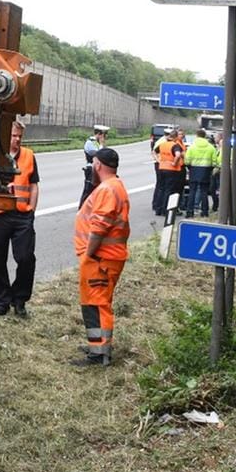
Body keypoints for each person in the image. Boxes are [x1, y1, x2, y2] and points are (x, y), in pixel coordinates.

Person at [72, 147, 131, 366]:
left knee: (97, 303)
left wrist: (88, 254)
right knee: (95, 302)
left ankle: (99, 353)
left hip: (100, 258)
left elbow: (99, 227)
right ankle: (96, 344)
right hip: (105, 258)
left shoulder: (107, 190)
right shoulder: (114, 186)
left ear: (97, 165)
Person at [0, 120, 40, 317]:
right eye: (13, 135)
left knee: (26, 258)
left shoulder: (28, 155)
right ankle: (0, 300)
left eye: (20, 136)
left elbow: (33, 184)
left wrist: (32, 209)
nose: (17, 140)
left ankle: (20, 298)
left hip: (22, 214)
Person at [151, 127, 186, 224]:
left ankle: (158, 209)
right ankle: (165, 209)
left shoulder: (163, 144)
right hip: (172, 170)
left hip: (162, 168)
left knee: (161, 188)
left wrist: (158, 160)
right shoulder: (175, 145)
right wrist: (174, 163)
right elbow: (178, 155)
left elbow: (154, 151)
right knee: (169, 190)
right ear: (175, 138)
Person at [181, 127, 218, 217]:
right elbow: (215, 161)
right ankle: (204, 212)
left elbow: (187, 160)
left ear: (197, 136)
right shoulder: (211, 147)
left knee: (192, 191)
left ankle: (190, 212)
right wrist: (210, 168)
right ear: (205, 136)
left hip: (194, 170)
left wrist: (190, 167)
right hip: (206, 170)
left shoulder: (192, 147)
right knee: (204, 192)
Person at [79, 124, 109, 204]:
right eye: (104, 134)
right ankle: (82, 208)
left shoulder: (97, 143)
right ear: (99, 134)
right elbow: (99, 154)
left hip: (99, 170)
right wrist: (102, 144)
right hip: (91, 169)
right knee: (88, 190)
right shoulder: (90, 142)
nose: (105, 137)